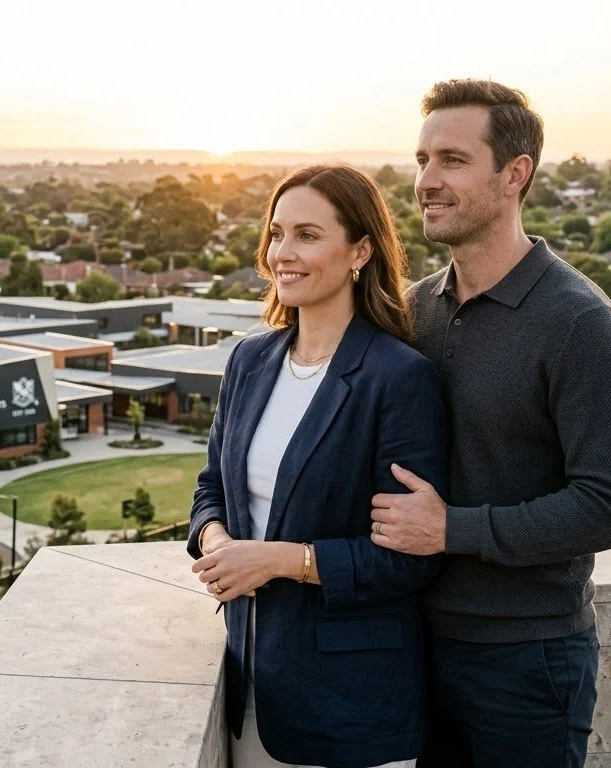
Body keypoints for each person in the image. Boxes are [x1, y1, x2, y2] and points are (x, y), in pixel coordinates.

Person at [369, 79, 611, 767]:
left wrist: (451, 530)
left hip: (527, 661)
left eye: (452, 161)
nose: (426, 181)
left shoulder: (580, 322)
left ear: (514, 174)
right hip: (411, 644)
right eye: (422, 159)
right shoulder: (413, 312)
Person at [187, 163, 448, 768]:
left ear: (360, 249)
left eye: (307, 235)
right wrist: (219, 540)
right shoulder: (250, 360)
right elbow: (210, 489)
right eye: (277, 234)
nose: (283, 252)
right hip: (250, 685)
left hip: (350, 706)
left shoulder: (399, 378)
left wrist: (282, 560)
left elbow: (409, 561)